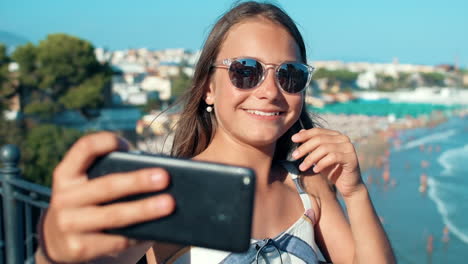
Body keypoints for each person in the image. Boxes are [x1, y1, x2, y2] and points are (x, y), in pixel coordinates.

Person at [35, 2, 395, 263]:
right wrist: (53, 255)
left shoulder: (307, 188)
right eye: (246, 71)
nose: (270, 91)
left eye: (289, 75)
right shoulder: (169, 192)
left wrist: (356, 191)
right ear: (209, 87)